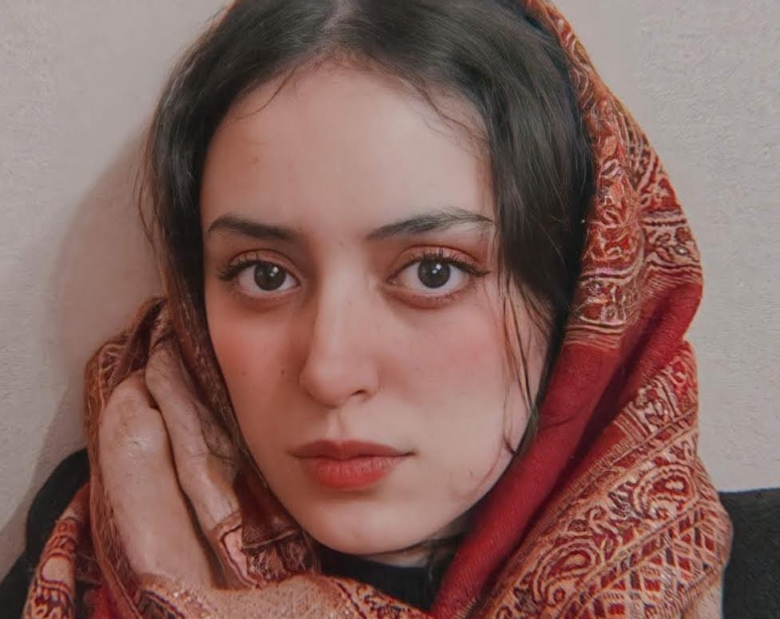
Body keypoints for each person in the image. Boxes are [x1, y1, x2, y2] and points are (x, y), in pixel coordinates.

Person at [17, 0, 732, 617]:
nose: (330, 372)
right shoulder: (92, 543)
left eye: (431, 271)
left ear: (581, 288)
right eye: (265, 274)